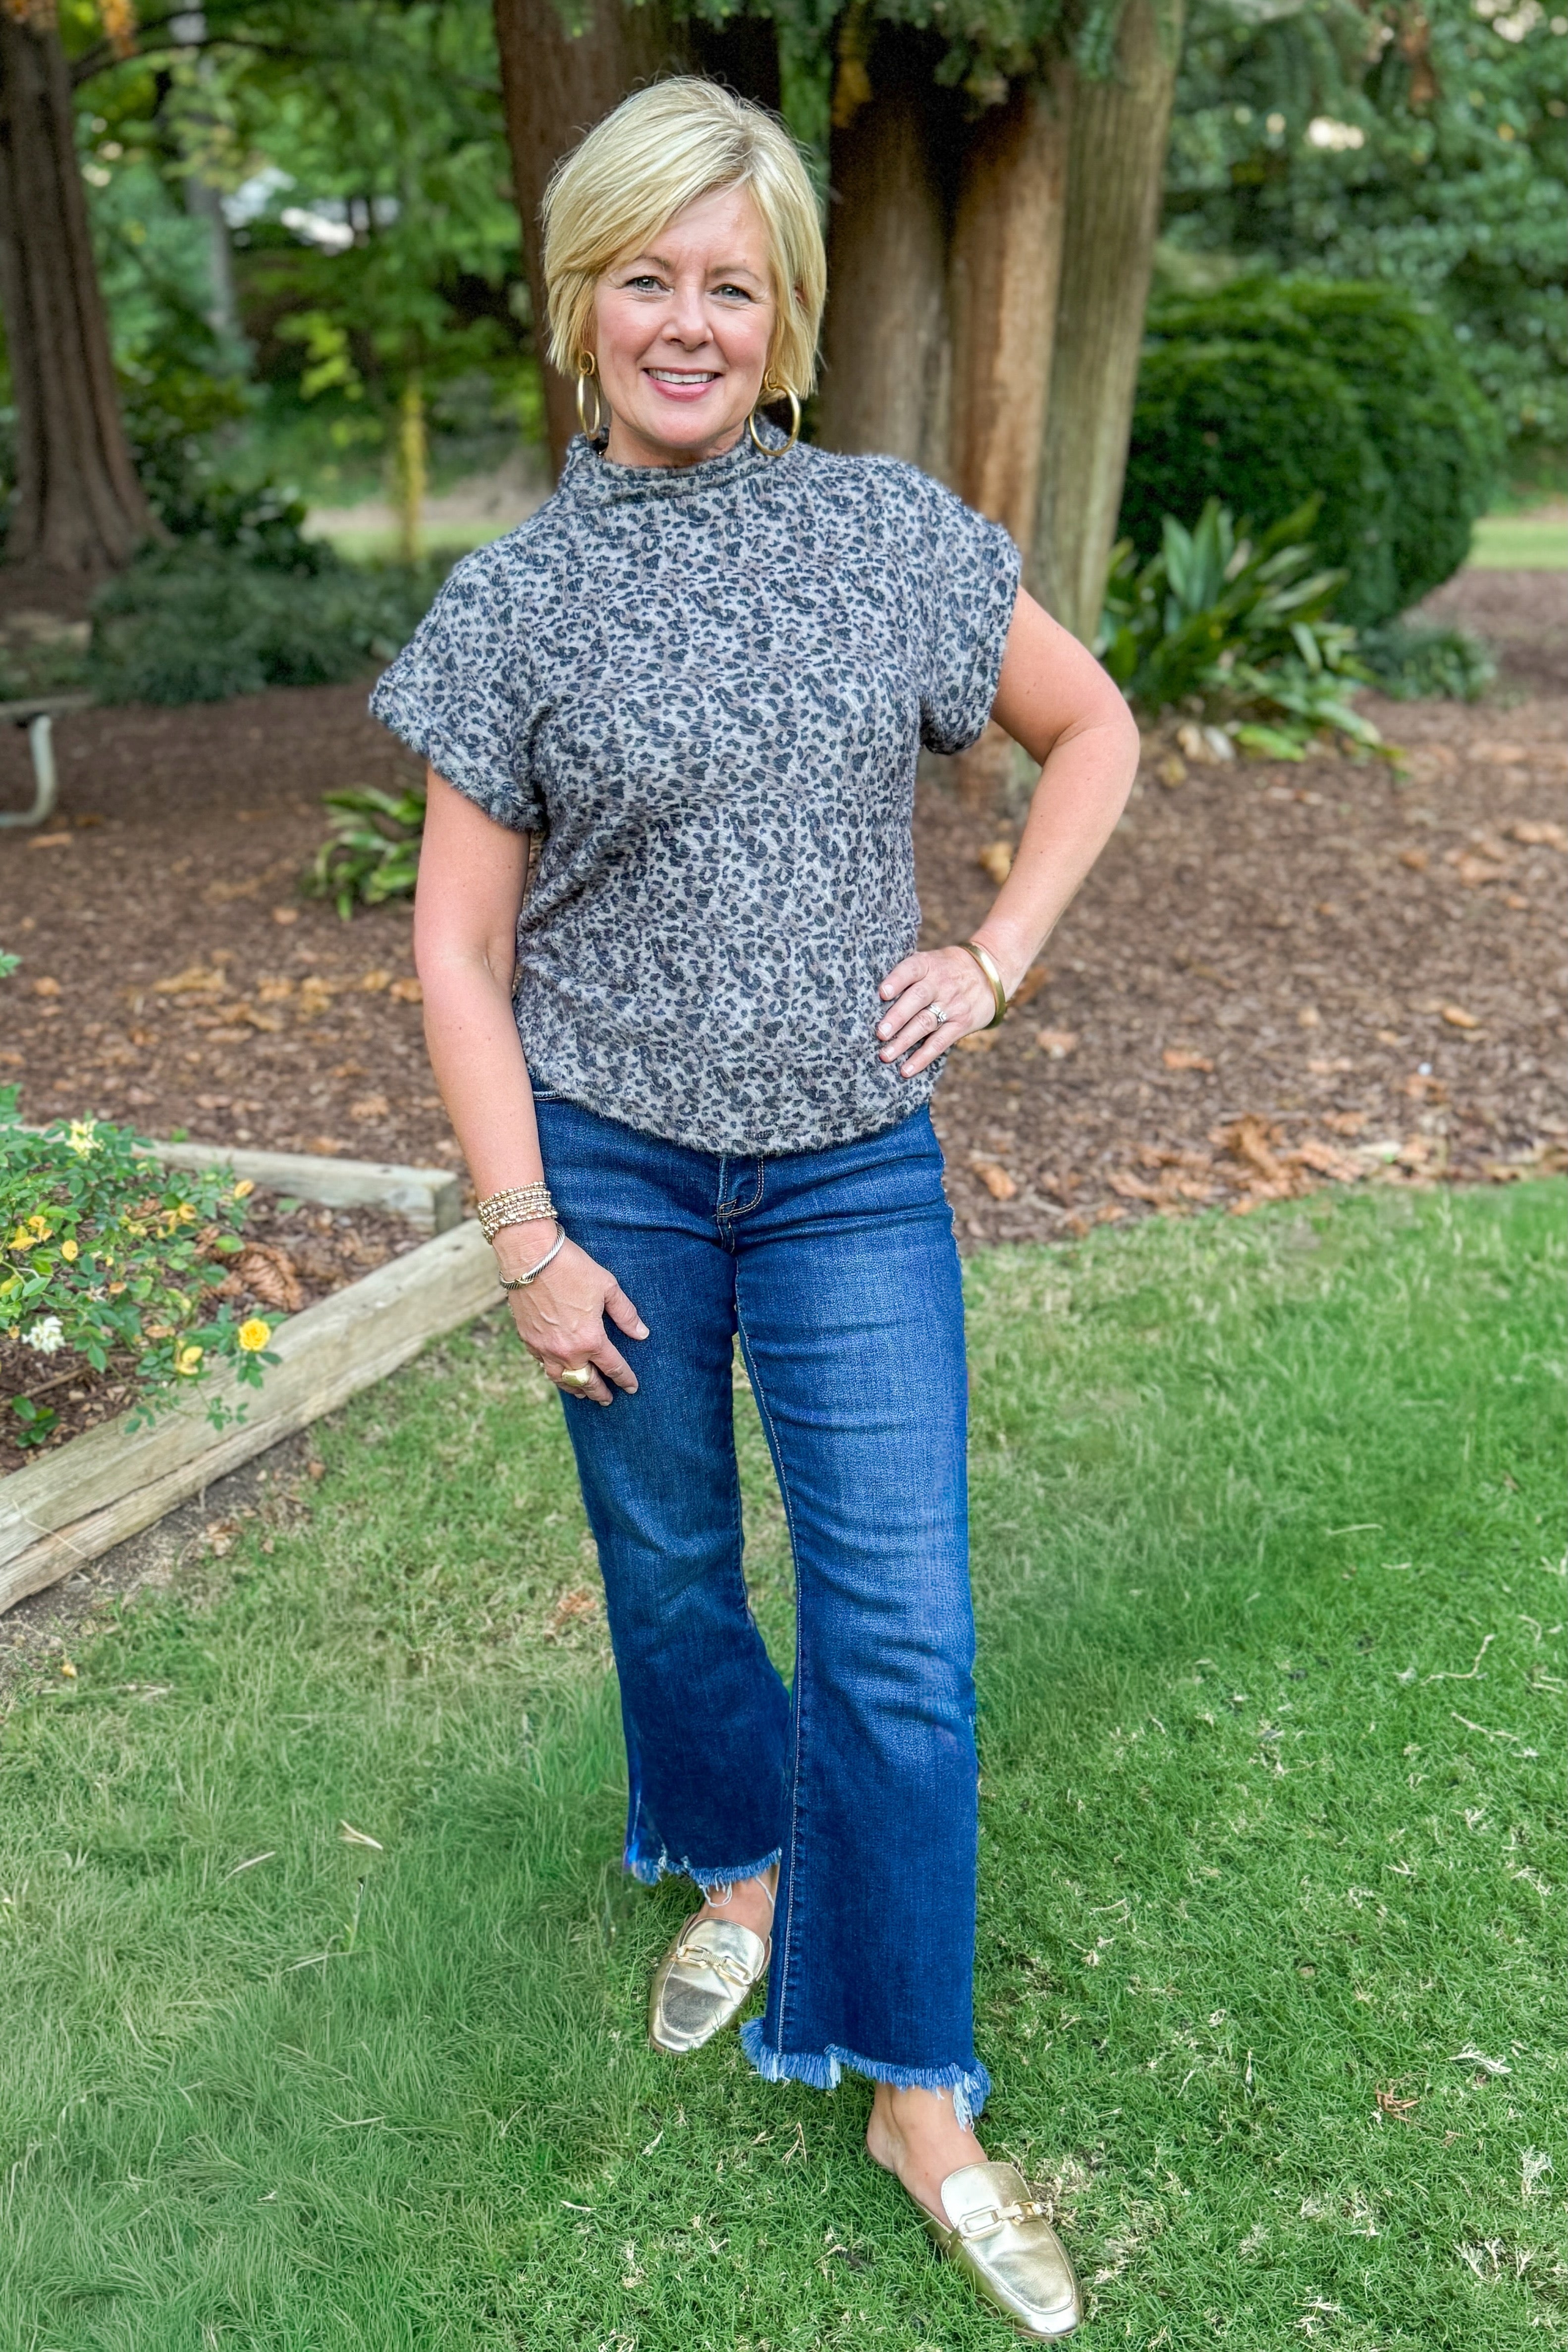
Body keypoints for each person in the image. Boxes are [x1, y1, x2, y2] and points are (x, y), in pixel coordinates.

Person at [371, 76, 1138, 2339]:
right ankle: (737, 1860)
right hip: (604, 1153)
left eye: (732, 282)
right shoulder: (508, 603)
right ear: (579, 300)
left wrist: (992, 956)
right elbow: (453, 947)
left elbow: (1092, 731)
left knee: (901, 1630)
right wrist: (523, 1229)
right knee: (677, 1562)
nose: (686, 320)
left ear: (784, 314)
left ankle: (919, 2087)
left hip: (845, 1178)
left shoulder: (893, 535)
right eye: (646, 277)